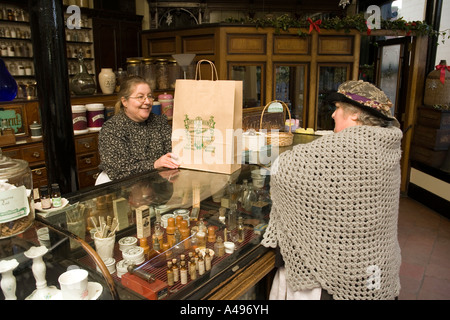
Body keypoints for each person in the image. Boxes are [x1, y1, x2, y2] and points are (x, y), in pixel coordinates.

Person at [261, 80, 403, 300]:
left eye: (337, 108)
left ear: (355, 114)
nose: (333, 115)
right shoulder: (388, 146)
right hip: (374, 265)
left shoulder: (338, 150)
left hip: (334, 269)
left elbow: (283, 169)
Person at [98, 76, 179, 181]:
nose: (148, 102)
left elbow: (173, 152)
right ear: (124, 101)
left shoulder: (159, 122)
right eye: (140, 97)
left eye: (149, 96)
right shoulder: (112, 129)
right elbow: (118, 170)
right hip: (126, 190)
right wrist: (155, 164)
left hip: (159, 186)